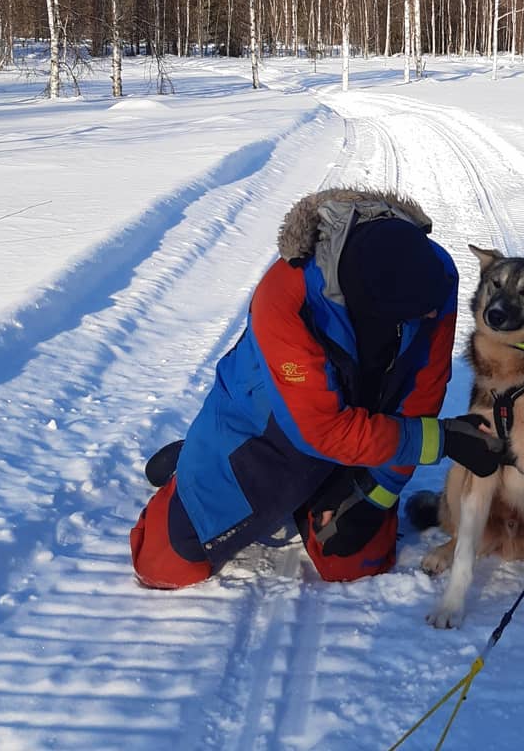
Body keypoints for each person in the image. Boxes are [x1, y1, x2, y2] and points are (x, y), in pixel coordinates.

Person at [130, 188, 505, 589]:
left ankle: (311, 493)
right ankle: (195, 459)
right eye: (419, 311)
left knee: (353, 564)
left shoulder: (435, 273)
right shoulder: (288, 296)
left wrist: (378, 496)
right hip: (268, 428)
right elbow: (321, 429)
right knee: (163, 567)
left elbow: (421, 393)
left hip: (359, 431)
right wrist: (444, 440)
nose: (434, 313)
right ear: (369, 305)